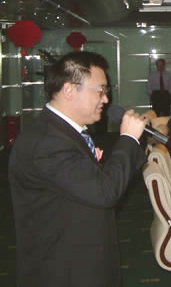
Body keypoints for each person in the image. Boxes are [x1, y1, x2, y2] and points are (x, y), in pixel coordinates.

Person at [8, 51, 146, 287]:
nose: (105, 99)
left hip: (81, 258)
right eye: (100, 90)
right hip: (64, 270)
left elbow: (86, 187)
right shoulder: (48, 142)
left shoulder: (62, 133)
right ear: (69, 90)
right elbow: (105, 192)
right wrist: (129, 139)